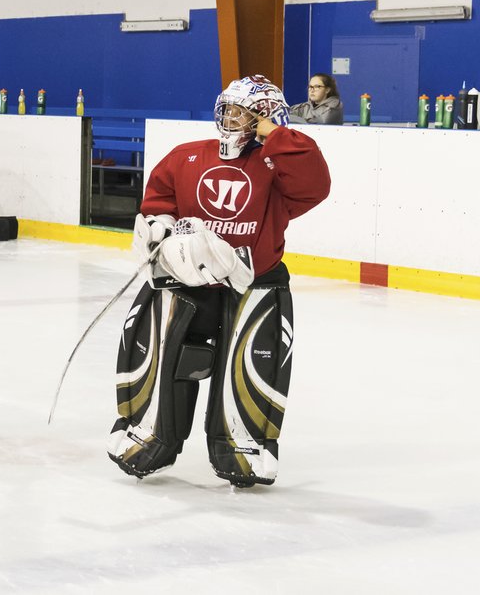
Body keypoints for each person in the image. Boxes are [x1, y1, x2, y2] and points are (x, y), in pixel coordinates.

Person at [106, 74, 330, 488]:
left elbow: (314, 184)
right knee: (157, 354)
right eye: (227, 109)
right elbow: (158, 201)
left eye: (244, 113)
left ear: (266, 118)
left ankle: (242, 444)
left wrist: (274, 136)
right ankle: (148, 431)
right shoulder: (188, 155)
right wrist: (162, 231)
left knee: (246, 365)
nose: (231, 118)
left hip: (252, 283)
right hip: (184, 281)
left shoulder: (278, 163)